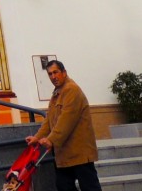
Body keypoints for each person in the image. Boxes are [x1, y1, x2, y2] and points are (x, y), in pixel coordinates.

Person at [26, 60, 102, 191]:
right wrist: (37, 138)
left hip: (80, 153)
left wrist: (51, 140)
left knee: (90, 187)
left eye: (55, 72)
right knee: (63, 186)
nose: (53, 77)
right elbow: (49, 119)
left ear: (64, 72)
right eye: (50, 74)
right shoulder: (57, 92)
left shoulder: (72, 90)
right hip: (64, 154)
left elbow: (66, 120)